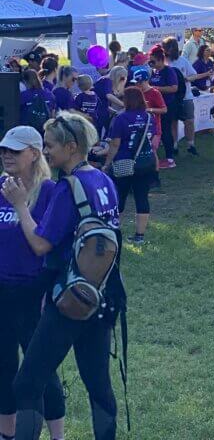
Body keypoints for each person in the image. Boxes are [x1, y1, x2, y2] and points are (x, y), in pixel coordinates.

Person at [3, 112, 122, 440]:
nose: (47, 151)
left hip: (69, 298)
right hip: (101, 295)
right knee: (98, 384)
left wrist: (20, 206)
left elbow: (41, 244)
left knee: (27, 383)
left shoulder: (68, 187)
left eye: (51, 145)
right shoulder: (102, 180)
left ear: (72, 147)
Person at [0, 127, 66, 440]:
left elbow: (43, 245)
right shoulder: (1, 185)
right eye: (3, 149)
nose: (6, 155)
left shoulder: (50, 191)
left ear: (35, 153)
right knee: (3, 367)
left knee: (41, 369)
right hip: (2, 289)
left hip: (34, 291)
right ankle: (7, 434)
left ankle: (57, 436)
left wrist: (20, 205)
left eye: (14, 150)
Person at [102, 86, 159, 245]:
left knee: (119, 197)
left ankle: (113, 232)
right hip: (146, 162)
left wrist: (107, 164)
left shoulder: (121, 118)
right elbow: (152, 138)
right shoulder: (149, 117)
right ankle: (140, 235)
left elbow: (115, 144)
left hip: (124, 162)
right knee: (142, 197)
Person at [163, 37, 199, 157]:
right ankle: (174, 146)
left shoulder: (183, 61)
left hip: (186, 96)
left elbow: (194, 74)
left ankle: (191, 145)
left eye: (170, 48)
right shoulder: (163, 62)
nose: (168, 50)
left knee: (189, 121)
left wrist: (186, 79)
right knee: (173, 122)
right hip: (171, 98)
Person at [147, 46, 181, 169]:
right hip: (155, 106)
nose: (151, 64)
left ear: (161, 60)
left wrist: (156, 89)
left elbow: (174, 88)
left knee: (166, 131)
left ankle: (170, 158)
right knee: (158, 131)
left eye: (153, 61)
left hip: (167, 105)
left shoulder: (169, 71)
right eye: (150, 61)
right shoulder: (154, 72)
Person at [18, 71, 55, 135]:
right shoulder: (49, 94)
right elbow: (53, 114)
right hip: (45, 132)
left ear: (25, 82)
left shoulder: (22, 96)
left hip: (27, 133)